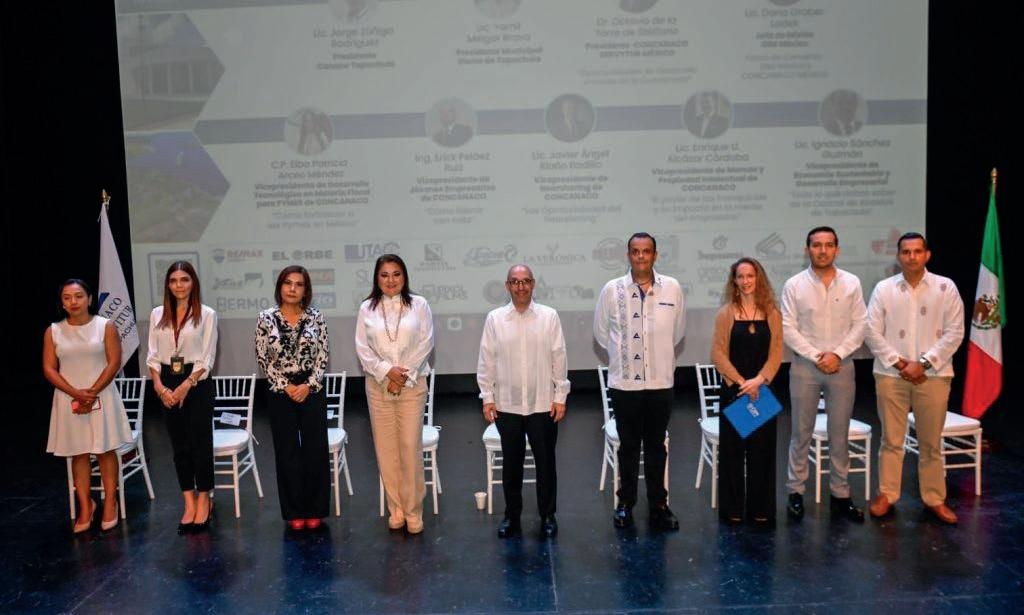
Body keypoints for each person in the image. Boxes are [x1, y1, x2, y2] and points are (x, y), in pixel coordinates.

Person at [864, 233, 965, 524]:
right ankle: (887, 494)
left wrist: (923, 364)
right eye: (906, 252)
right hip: (890, 374)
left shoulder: (946, 287)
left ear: (927, 255)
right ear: (898, 256)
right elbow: (871, 331)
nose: (912, 257)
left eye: (917, 251)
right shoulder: (884, 288)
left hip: (933, 375)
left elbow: (955, 332)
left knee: (931, 442)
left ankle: (934, 498)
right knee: (891, 439)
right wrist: (900, 363)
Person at [594, 232, 685, 530]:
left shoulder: (672, 288)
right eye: (636, 251)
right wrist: (624, 357)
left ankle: (659, 505)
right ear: (628, 255)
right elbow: (601, 334)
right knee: (629, 447)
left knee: (657, 446)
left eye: (646, 251)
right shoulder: (612, 290)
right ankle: (626, 504)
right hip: (625, 386)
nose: (641, 256)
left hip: (661, 383)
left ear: (655, 255)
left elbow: (678, 333)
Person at [477, 264, 570, 538]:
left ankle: (548, 516)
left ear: (533, 284)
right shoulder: (495, 319)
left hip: (543, 404)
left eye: (526, 281)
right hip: (507, 404)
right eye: (515, 282)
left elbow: (559, 357)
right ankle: (512, 516)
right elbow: (486, 360)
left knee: (546, 464)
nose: (521, 286)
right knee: (512, 465)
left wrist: (560, 396)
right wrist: (487, 397)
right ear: (507, 286)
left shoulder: (549, 316)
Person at [781, 227, 867, 522]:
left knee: (839, 433)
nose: (822, 250)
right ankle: (795, 492)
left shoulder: (852, 283)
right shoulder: (794, 284)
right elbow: (788, 328)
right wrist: (818, 356)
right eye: (816, 245)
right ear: (807, 250)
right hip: (805, 367)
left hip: (842, 366)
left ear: (837, 249)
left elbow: (861, 324)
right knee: (800, 433)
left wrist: (837, 354)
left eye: (829, 245)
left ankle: (841, 494)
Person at [44, 279, 133, 533]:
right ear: (62, 303)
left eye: (79, 296)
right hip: (68, 398)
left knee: (105, 450)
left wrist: (91, 392)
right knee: (78, 452)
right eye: (67, 298)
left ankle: (110, 502)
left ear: (90, 299)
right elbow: (49, 368)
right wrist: (76, 393)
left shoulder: (105, 326)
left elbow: (114, 362)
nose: (73, 302)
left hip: (101, 395)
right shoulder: (53, 331)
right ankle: (86, 506)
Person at [355, 254, 434, 534]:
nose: (391, 280)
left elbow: (426, 343)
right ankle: (396, 509)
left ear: (405, 276)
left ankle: (413, 510)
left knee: (410, 449)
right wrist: (387, 371)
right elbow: (362, 349)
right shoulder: (367, 308)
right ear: (377, 278)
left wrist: (401, 376)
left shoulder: (419, 304)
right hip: (378, 387)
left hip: (412, 386)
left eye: (396, 274)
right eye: (384, 275)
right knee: (386, 451)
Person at [255, 266, 331, 531]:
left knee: (315, 450)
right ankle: (294, 511)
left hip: (311, 390)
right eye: (288, 283)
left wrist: (308, 385)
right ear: (280, 287)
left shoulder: (316, 317)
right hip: (280, 392)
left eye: (299, 284)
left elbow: (323, 355)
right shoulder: (266, 318)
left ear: (305, 290)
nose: (292, 288)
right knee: (287, 452)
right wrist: (286, 386)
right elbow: (263, 357)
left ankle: (316, 509)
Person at [147, 261, 218, 534]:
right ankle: (188, 500)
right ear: (168, 284)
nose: (179, 285)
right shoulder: (157, 314)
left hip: (196, 382)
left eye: (184, 279)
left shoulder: (207, 314)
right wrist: (159, 386)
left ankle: (204, 499)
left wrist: (187, 384)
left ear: (193, 283)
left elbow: (207, 357)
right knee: (179, 446)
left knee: (200, 444)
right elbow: (153, 356)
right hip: (166, 382)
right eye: (174, 280)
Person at [711, 257, 784, 525]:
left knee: (762, 453)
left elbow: (776, 353)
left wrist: (759, 381)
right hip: (735, 391)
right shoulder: (726, 313)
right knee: (732, 454)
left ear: (758, 278)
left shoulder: (772, 313)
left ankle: (760, 509)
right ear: (734, 281)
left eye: (750, 276)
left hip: (762, 391)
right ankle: (732, 510)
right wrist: (743, 382)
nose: (746, 281)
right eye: (740, 276)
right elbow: (718, 354)